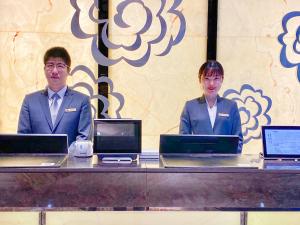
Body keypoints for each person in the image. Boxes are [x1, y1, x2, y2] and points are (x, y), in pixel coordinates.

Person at [18, 46, 92, 146]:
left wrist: (65, 155)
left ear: (68, 70)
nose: (54, 71)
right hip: (36, 160)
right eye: (50, 65)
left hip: (70, 161)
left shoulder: (82, 101)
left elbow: (83, 138)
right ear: (44, 69)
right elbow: (22, 137)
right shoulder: (30, 101)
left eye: (60, 66)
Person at [179, 60, 243, 153]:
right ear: (200, 79)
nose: (211, 83)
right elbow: (183, 140)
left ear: (222, 79)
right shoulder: (190, 106)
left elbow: (238, 141)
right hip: (198, 164)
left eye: (216, 78)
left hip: (226, 164)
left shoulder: (231, 106)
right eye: (207, 78)